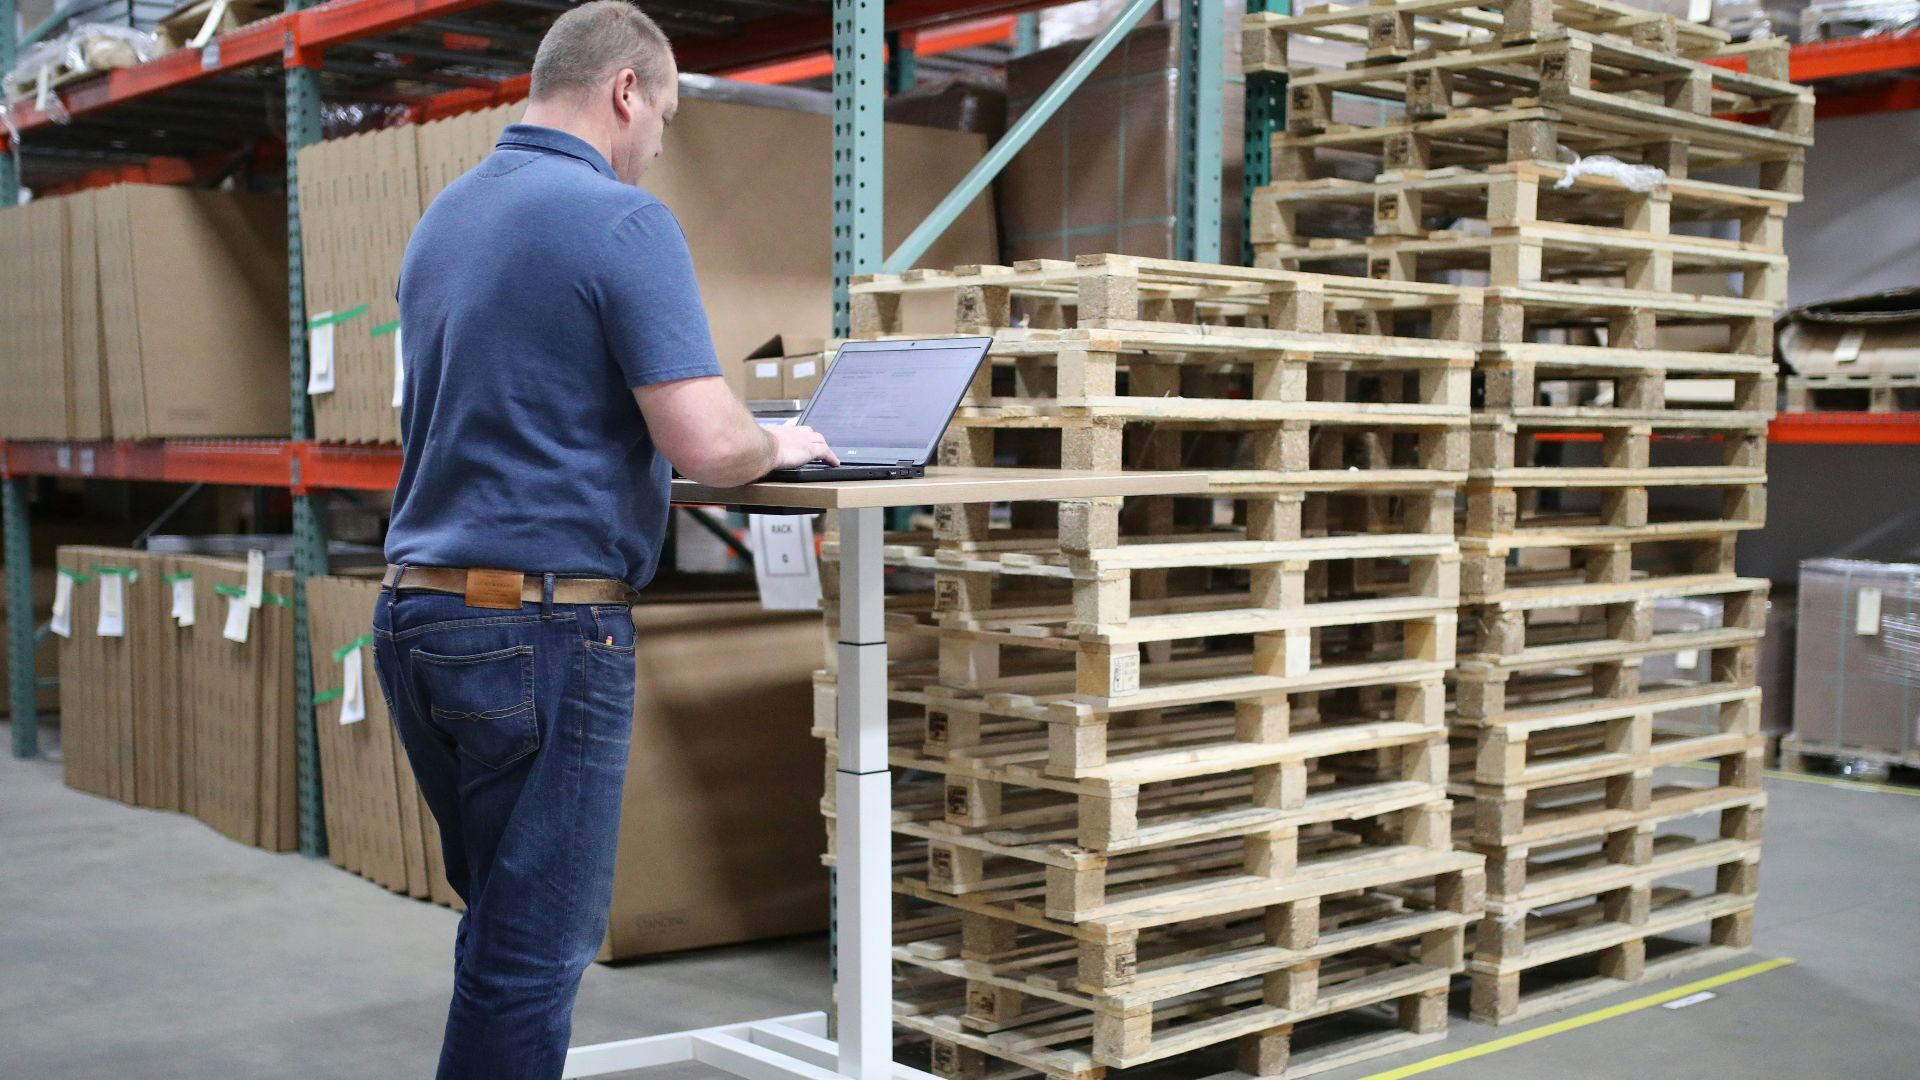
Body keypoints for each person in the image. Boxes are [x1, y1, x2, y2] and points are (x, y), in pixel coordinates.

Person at [368, 4, 836, 1078]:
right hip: (540, 632)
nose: (656, 144)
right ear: (627, 90)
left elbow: (503, 405)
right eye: (663, 116)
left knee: (500, 927)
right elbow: (705, 441)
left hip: (421, 616)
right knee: (534, 953)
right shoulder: (619, 220)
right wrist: (783, 438)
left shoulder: (445, 216)